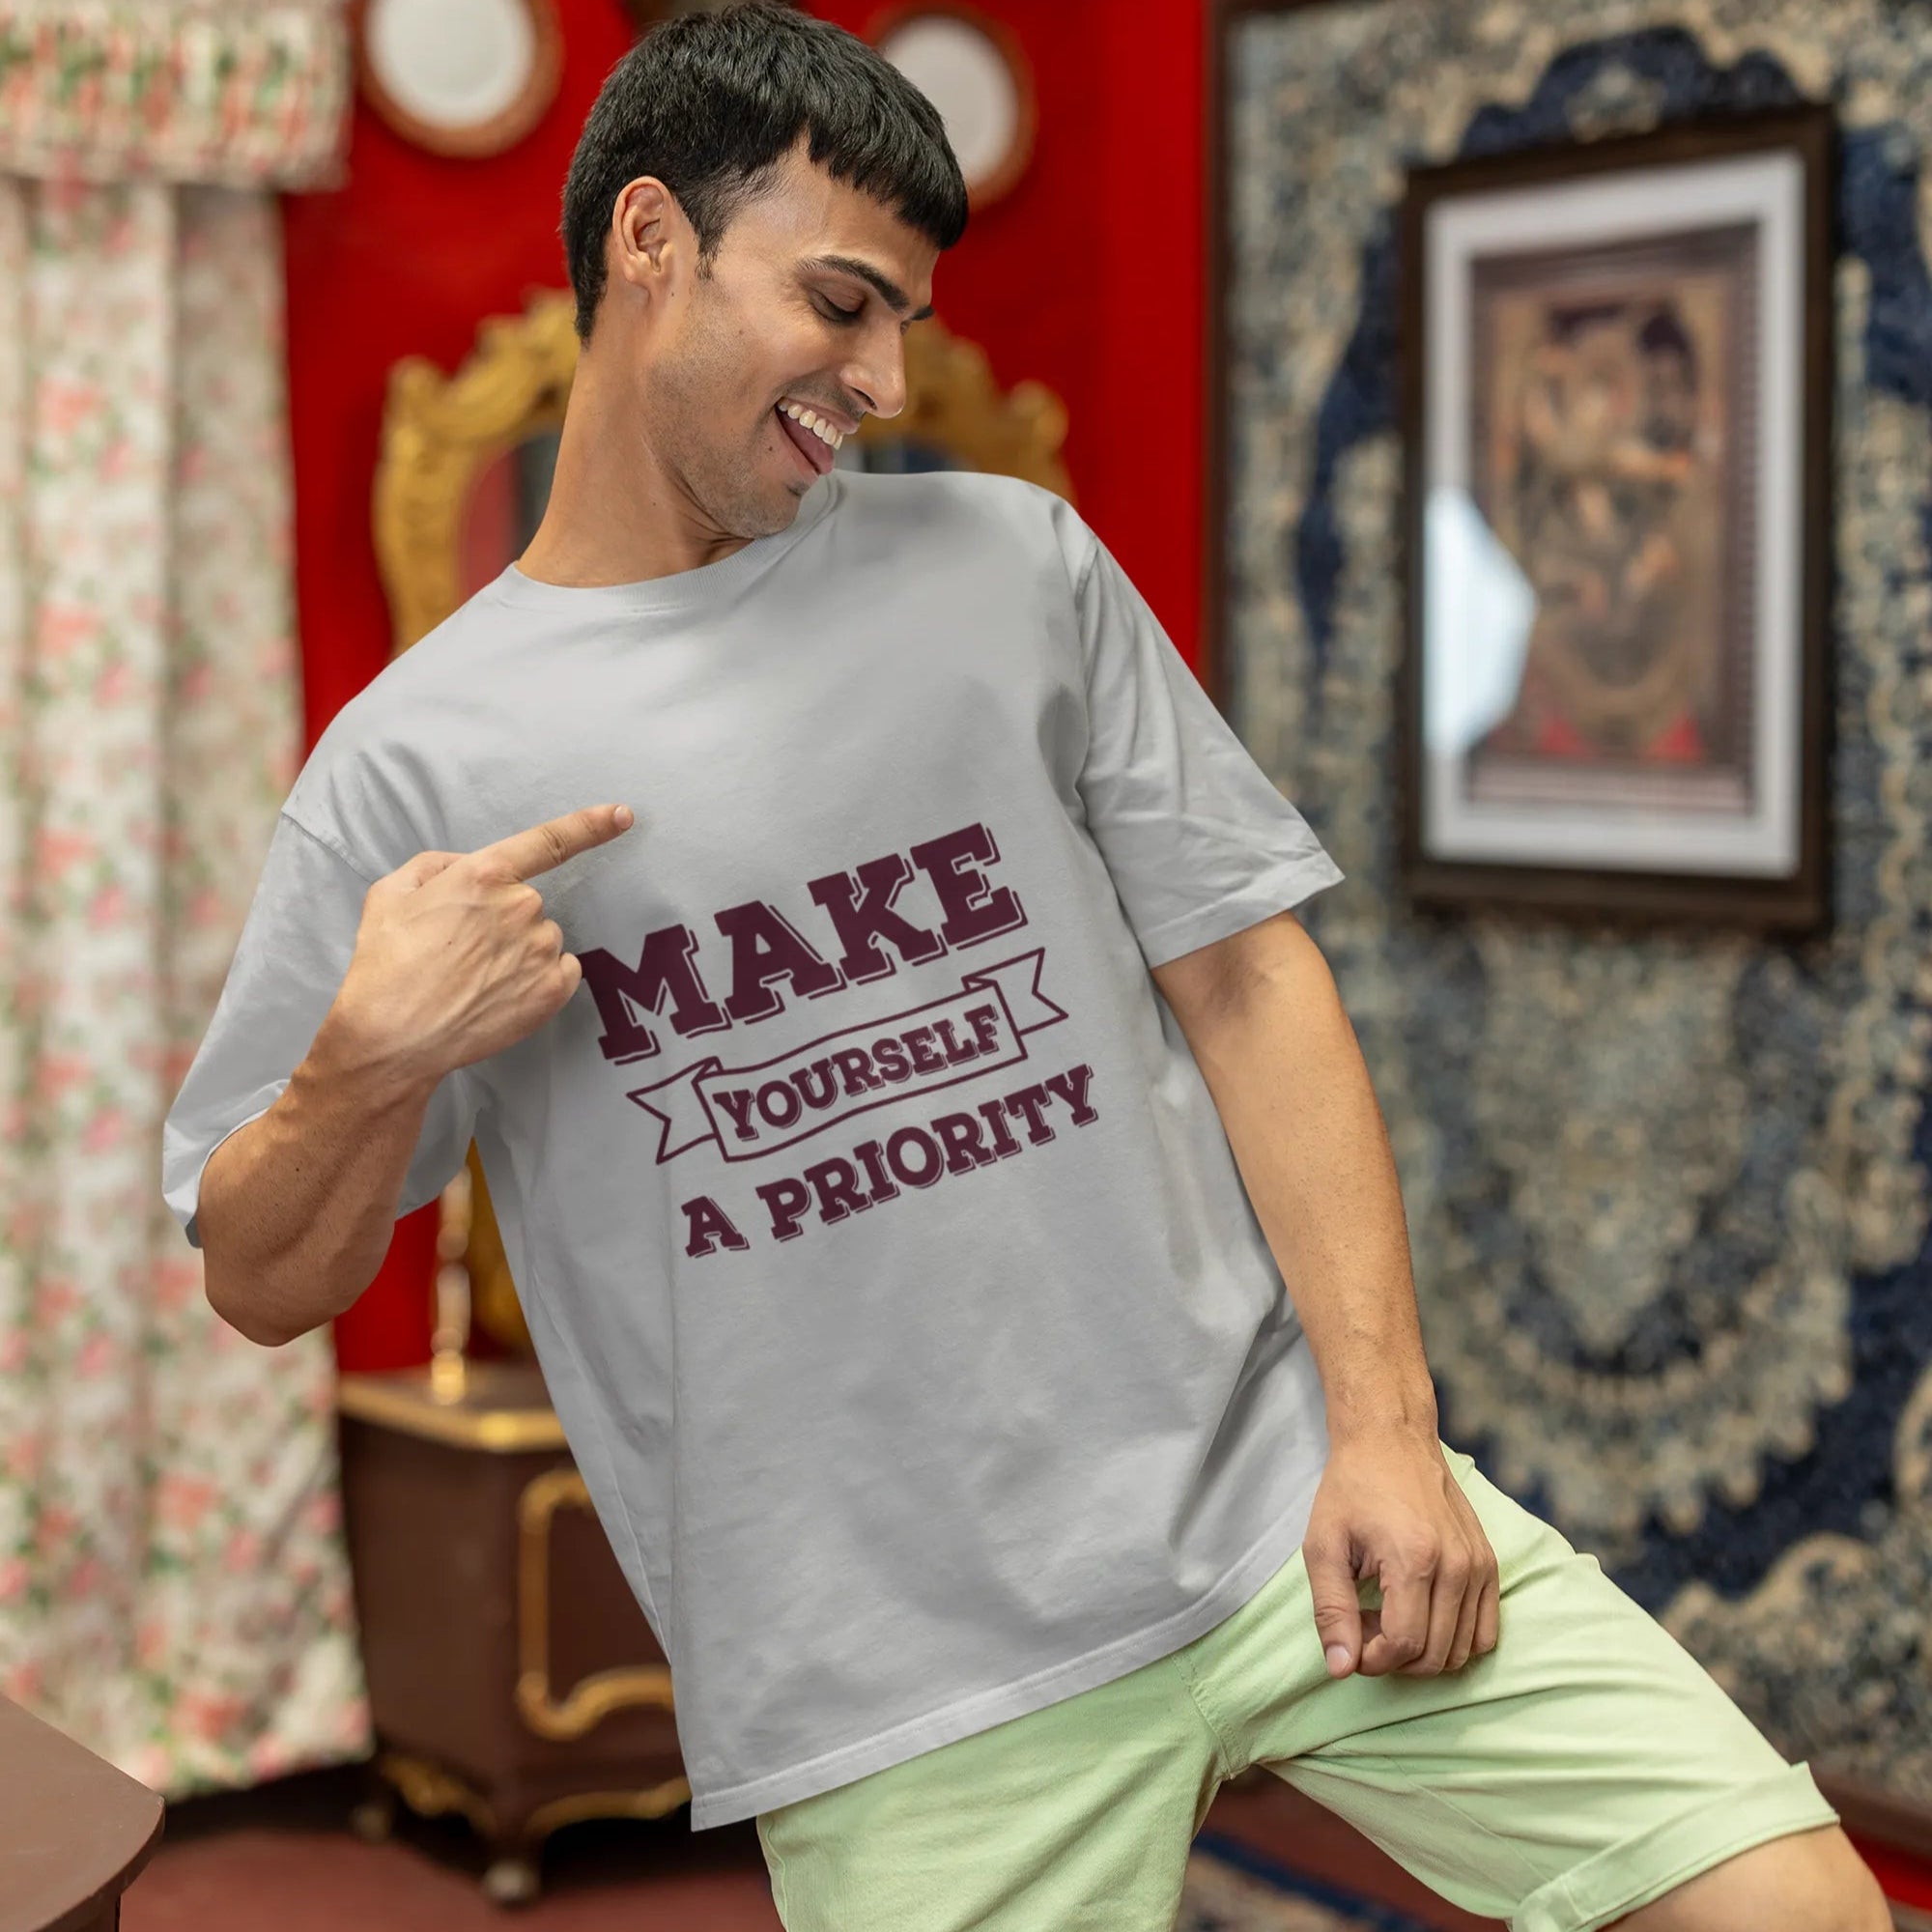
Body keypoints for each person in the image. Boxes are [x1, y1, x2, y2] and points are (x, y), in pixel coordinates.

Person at [159, 8, 1884, 1929]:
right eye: (836, 302)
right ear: (650, 241)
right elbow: (261, 1274)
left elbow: (1248, 983)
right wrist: (360, 1064)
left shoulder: (1016, 567)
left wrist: (1386, 1433)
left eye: (902, 316)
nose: (884, 379)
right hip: (901, 1684)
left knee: (1788, 1905)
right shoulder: (409, 765)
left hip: (1275, 1514)